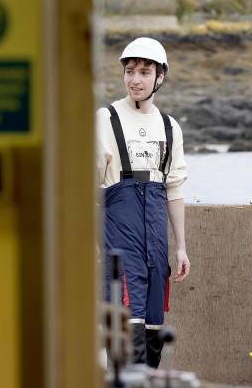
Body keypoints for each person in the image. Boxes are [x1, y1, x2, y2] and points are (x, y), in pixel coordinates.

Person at [95, 37, 190, 368]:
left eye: (144, 72)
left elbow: (174, 189)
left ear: (160, 77)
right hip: (119, 244)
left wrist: (180, 247)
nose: (135, 79)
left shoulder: (169, 126)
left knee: (151, 336)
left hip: (156, 246)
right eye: (130, 71)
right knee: (126, 334)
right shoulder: (106, 119)